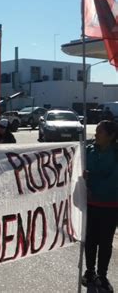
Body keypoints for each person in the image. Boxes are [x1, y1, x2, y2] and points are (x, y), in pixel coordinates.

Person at [81, 120, 118, 292]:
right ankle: (90, 272)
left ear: (111, 136)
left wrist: (93, 178)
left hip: (111, 206)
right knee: (90, 240)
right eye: (95, 131)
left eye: (100, 132)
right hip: (91, 204)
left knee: (105, 243)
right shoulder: (88, 151)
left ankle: (102, 276)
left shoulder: (116, 153)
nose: (95, 135)